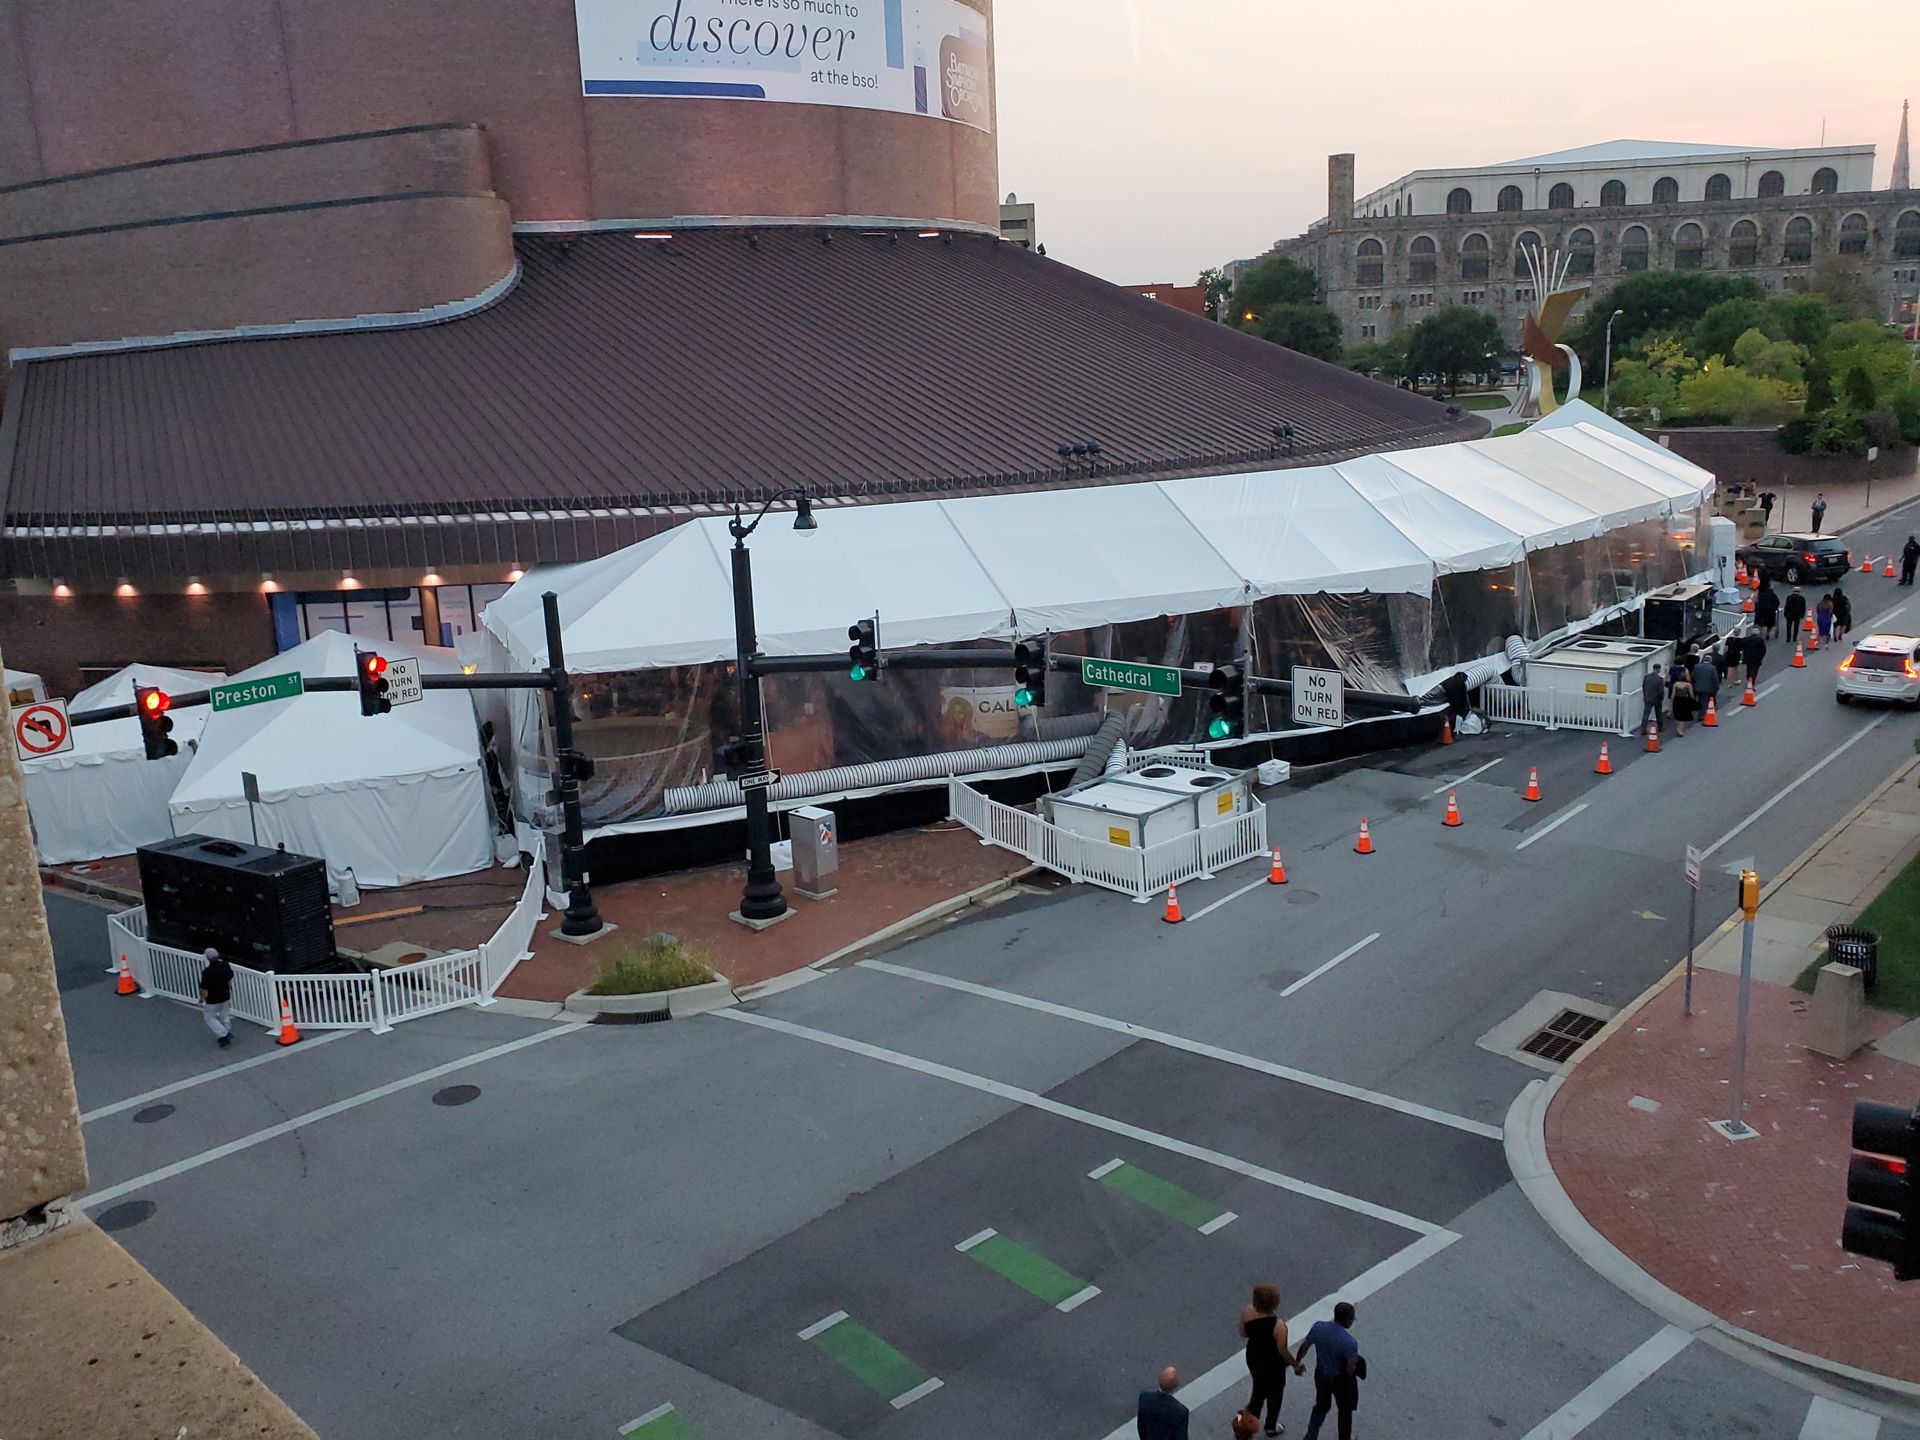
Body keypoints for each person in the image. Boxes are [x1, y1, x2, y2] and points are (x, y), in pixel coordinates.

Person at [1293, 1302, 1361, 1440]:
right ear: (1347, 1320)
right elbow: (1350, 1369)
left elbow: (1305, 1347)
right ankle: (1345, 1437)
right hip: (1339, 1381)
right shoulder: (1350, 1343)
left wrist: (1297, 1362)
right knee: (1345, 1411)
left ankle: (1311, 1435)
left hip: (1321, 1374)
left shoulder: (1319, 1327)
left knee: (1321, 1406)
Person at [1240, 1284, 1293, 1436]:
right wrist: (1294, 1363)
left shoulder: (1248, 1312)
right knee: (1275, 1394)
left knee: (1258, 1390)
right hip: (1272, 1364)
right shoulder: (1279, 1326)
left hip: (1254, 1357)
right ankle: (1270, 1426)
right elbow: (1282, 1350)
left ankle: (1244, 1426)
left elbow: (1243, 1332)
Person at [1138, 1365, 1190, 1440]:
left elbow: (1141, 1427)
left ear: (1159, 1379)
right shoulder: (1180, 1412)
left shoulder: (1145, 1398)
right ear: (1175, 1386)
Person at [199, 946, 234, 1048]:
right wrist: (230, 990)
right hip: (225, 995)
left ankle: (224, 1034)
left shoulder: (207, 972)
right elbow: (229, 979)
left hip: (213, 999)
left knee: (209, 1017)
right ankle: (227, 1030)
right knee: (225, 1015)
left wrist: (201, 1000)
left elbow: (204, 990)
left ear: (207, 958)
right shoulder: (225, 965)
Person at [1639, 664, 1665, 736]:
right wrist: (1662, 697)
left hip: (1648, 698)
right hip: (1657, 699)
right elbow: (1661, 691)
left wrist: (1645, 695)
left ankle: (1643, 729)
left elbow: (1644, 687)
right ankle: (1660, 727)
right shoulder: (1659, 679)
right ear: (1658, 669)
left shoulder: (1646, 677)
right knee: (1658, 714)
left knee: (1646, 714)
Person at [1670, 670, 1697, 736]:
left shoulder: (1676, 684)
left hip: (1677, 700)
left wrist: (1671, 702)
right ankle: (1680, 730)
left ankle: (1678, 727)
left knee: (1677, 714)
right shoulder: (1688, 685)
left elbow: (1673, 694)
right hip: (1684, 700)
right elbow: (1692, 695)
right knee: (1683, 716)